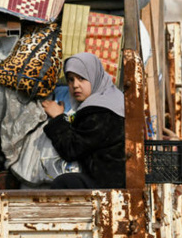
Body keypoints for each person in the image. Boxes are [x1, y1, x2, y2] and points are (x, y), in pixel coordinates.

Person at [41, 52, 125, 189]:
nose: (75, 85)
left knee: (64, 183)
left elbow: (70, 149)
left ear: (94, 76)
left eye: (82, 78)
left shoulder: (100, 112)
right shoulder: (113, 99)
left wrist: (57, 118)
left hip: (108, 185)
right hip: (110, 180)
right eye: (70, 79)